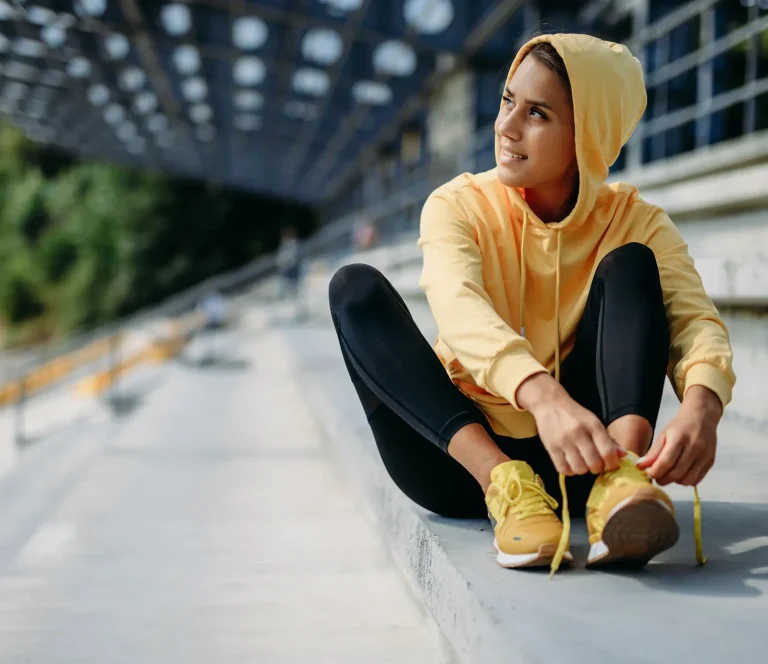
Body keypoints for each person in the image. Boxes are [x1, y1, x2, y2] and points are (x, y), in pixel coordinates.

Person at [327, 34, 735, 576]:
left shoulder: (638, 220)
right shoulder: (457, 205)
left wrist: (702, 407)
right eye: (506, 101)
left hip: (585, 455)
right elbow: (458, 308)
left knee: (633, 263)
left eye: (536, 113)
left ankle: (620, 483)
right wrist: (542, 398)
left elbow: (695, 320)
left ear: (587, 137)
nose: (506, 126)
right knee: (353, 289)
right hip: (459, 464)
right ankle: (508, 486)